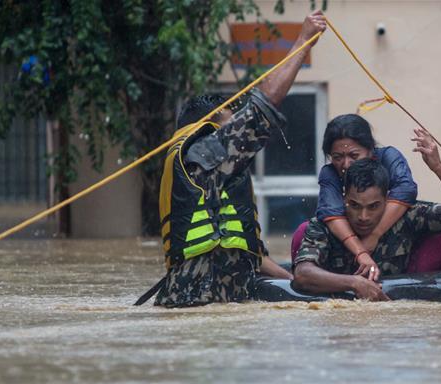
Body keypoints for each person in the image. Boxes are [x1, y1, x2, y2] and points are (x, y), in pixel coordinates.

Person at [139, 11, 325, 308]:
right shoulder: (201, 154)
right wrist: (303, 41)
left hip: (219, 297)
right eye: (231, 121)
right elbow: (263, 108)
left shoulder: (208, 165)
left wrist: (297, 283)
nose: (237, 126)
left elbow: (248, 253)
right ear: (211, 123)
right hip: (200, 301)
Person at [292, 129, 441, 300]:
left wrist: (439, 168)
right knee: (302, 230)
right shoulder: (325, 225)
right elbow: (303, 274)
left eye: (374, 206)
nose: (364, 216)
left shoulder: (407, 216)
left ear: (387, 200)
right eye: (355, 206)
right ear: (344, 200)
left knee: (439, 239)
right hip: (343, 301)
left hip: (406, 303)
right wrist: (354, 283)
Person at [293, 113, 441, 280]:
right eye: (337, 157)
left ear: (371, 151)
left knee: (438, 237)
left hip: (392, 229)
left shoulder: (388, 157)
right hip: (352, 242)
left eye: (354, 156)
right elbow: (330, 212)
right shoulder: (329, 173)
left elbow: (406, 190)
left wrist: (374, 235)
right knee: (302, 231)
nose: (346, 164)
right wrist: (361, 251)